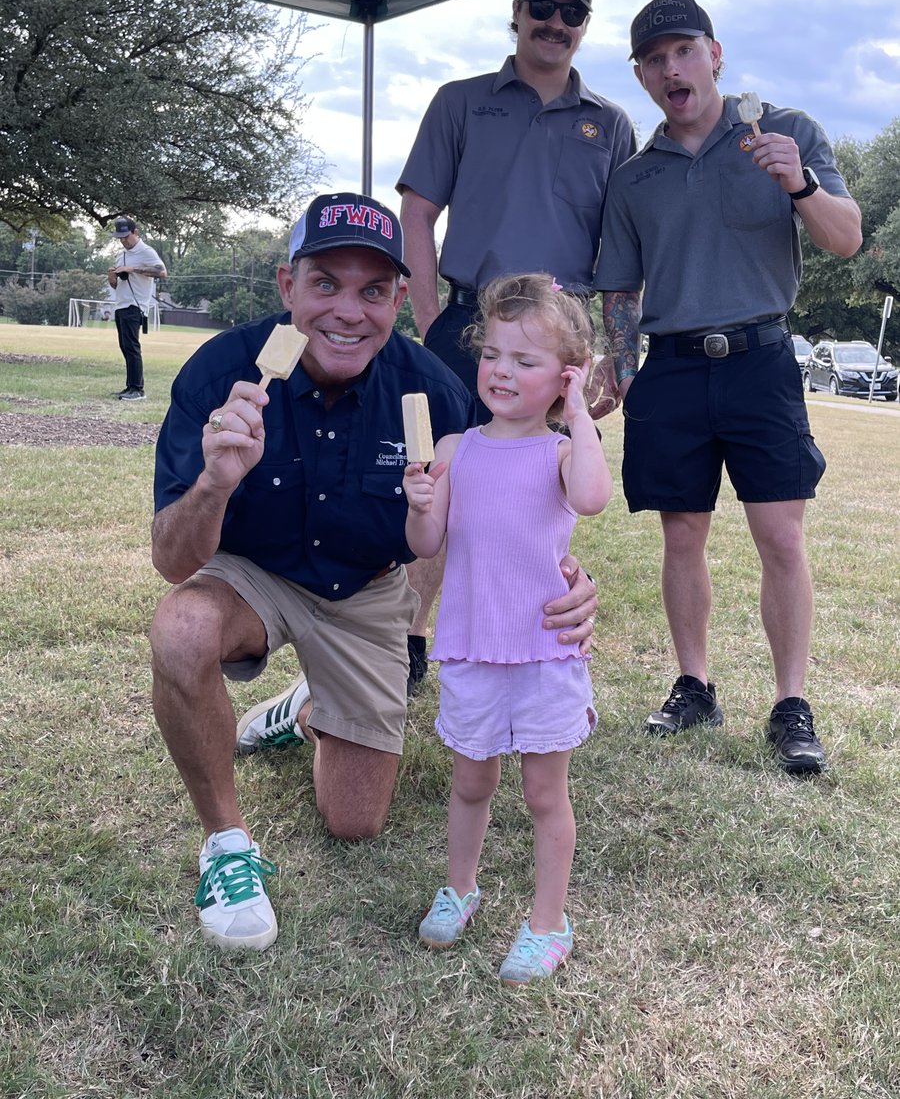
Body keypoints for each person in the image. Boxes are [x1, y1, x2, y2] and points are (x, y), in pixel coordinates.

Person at [149, 192, 598, 952]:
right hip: (252, 578)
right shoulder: (221, 373)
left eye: (374, 290)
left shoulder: (434, 391)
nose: (348, 312)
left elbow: (503, 500)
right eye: (326, 283)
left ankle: (307, 708)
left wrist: (568, 577)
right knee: (183, 627)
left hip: (365, 591)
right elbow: (172, 560)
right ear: (288, 284)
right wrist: (216, 482)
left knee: (355, 820)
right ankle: (226, 844)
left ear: (399, 300)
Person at [595, 0, 863, 773]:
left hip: (760, 358)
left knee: (781, 536)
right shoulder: (635, 176)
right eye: (655, 60)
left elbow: (846, 240)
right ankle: (695, 685)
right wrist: (623, 368)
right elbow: (620, 288)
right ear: (642, 76)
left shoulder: (785, 132)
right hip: (673, 367)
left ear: (715, 55)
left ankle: (791, 705)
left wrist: (799, 183)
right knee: (682, 533)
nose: (671, 69)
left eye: (684, 51)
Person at [395, 0, 633, 686]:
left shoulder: (611, 125)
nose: (556, 23)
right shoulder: (461, 102)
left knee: (536, 493)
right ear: (518, 12)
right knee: (443, 479)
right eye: (544, 8)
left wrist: (619, 356)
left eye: (572, 13)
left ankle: (522, 641)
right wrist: (431, 323)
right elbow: (417, 214)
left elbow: (622, 252)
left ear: (585, 24)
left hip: (556, 340)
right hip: (467, 326)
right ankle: (409, 639)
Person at [403, 274, 612, 984]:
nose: (502, 371)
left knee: (545, 795)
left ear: (564, 375)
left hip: (544, 652)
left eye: (526, 361)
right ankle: (460, 888)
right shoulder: (457, 448)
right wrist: (420, 501)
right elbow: (427, 542)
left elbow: (593, 497)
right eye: (492, 354)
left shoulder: (560, 453)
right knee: (470, 783)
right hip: (472, 648)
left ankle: (549, 923)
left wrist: (579, 414)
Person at [106, 217, 167, 400]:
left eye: (126, 236)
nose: (123, 241)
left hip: (135, 305)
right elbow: (116, 285)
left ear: (135, 232)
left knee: (132, 347)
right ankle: (130, 386)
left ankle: (138, 389)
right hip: (121, 304)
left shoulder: (146, 251)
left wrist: (133, 269)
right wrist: (112, 277)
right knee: (125, 347)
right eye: (120, 238)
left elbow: (162, 272)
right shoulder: (120, 255)